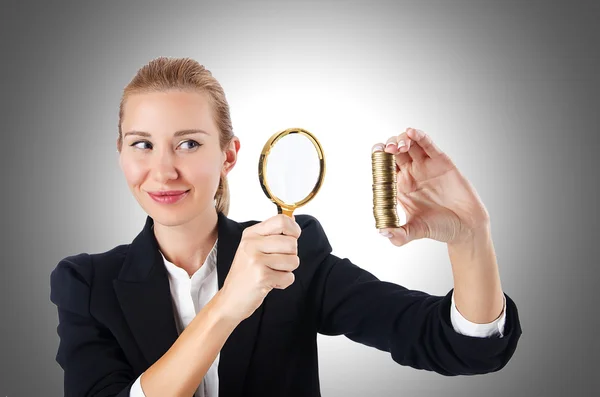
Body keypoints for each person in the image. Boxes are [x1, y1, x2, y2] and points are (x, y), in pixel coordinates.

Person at [49, 57, 522, 397]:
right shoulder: (86, 284)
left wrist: (469, 238)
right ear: (120, 154)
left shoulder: (293, 255)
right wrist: (225, 307)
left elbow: (462, 348)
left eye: (189, 144)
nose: (164, 170)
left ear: (228, 154)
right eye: (142, 144)